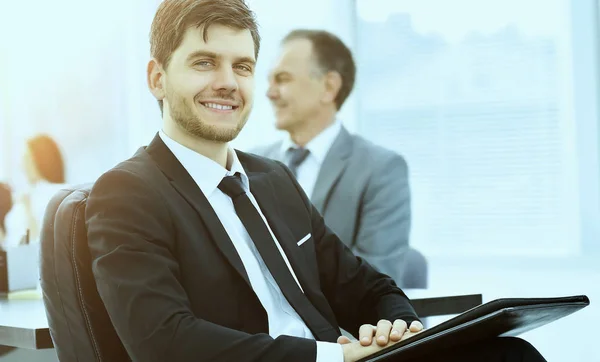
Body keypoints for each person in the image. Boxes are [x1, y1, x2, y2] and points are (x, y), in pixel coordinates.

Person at [85, 1, 547, 361]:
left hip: (345, 357)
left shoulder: (272, 180)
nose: (229, 82)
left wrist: (398, 330)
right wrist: (334, 356)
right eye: (204, 63)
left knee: (510, 353)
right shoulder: (128, 192)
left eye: (242, 66)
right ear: (157, 78)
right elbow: (164, 343)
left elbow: (367, 286)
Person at [253, 30, 416, 285]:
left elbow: (375, 283)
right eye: (269, 81)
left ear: (329, 87)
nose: (269, 93)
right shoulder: (249, 164)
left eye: (282, 79)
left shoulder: (380, 169)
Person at [4, 134, 67, 245]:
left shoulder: (41, 196)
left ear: (40, 161)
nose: (23, 165)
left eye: (27, 159)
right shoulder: (68, 192)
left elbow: (34, 243)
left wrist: (27, 207)